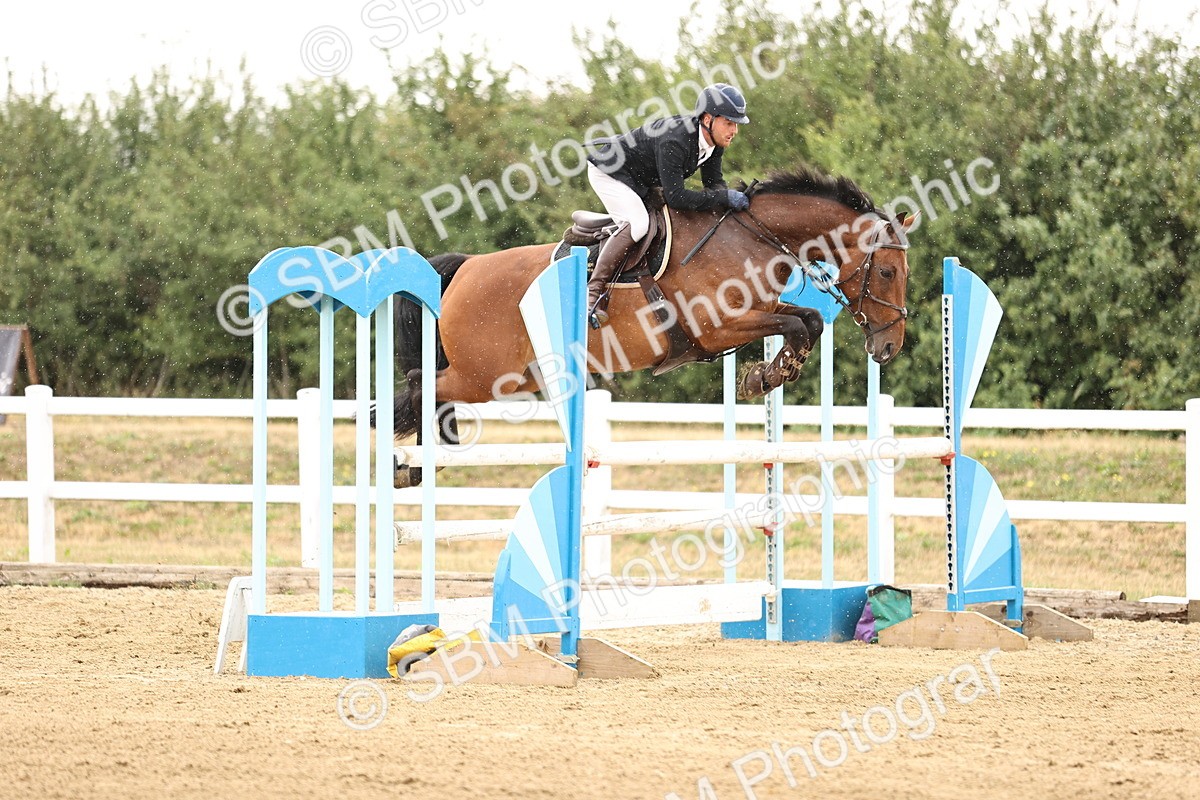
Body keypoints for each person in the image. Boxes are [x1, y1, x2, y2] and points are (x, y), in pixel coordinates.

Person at [583, 82, 752, 326]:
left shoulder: (714, 143)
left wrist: (731, 206)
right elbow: (677, 197)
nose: (734, 130)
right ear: (707, 119)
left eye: (736, 124)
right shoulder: (676, 140)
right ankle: (593, 291)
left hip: (640, 179)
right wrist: (724, 198)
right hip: (609, 172)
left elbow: (714, 184)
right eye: (729, 122)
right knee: (639, 224)